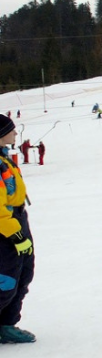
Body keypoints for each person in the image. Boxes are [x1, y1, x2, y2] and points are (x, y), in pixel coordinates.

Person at [0, 115, 36, 344]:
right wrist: (16, 234)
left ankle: (6, 324)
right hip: (6, 227)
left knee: (23, 273)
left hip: (18, 218)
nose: (15, 134)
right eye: (11, 131)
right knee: (6, 279)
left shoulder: (5, 159)